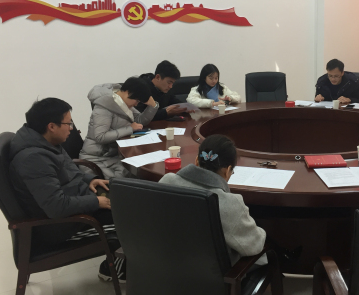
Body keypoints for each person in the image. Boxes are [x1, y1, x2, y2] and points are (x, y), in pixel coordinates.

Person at [8, 98, 125, 282]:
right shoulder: (33, 158)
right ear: (51, 126)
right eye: (68, 123)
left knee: (129, 197)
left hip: (78, 203)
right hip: (62, 227)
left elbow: (70, 171)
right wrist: (96, 201)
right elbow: (56, 207)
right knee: (129, 221)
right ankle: (113, 270)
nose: (71, 128)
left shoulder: (46, 142)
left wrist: (90, 180)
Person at [159, 134, 266, 266]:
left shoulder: (166, 182)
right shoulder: (230, 203)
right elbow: (254, 246)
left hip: (166, 268)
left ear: (196, 161)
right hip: (213, 276)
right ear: (227, 170)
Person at [80, 77, 158, 179]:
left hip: (112, 154)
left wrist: (153, 106)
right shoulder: (105, 106)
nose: (136, 104)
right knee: (132, 177)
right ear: (128, 92)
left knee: (139, 171)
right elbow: (100, 136)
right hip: (96, 157)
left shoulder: (122, 103)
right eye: (137, 100)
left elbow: (139, 121)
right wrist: (130, 129)